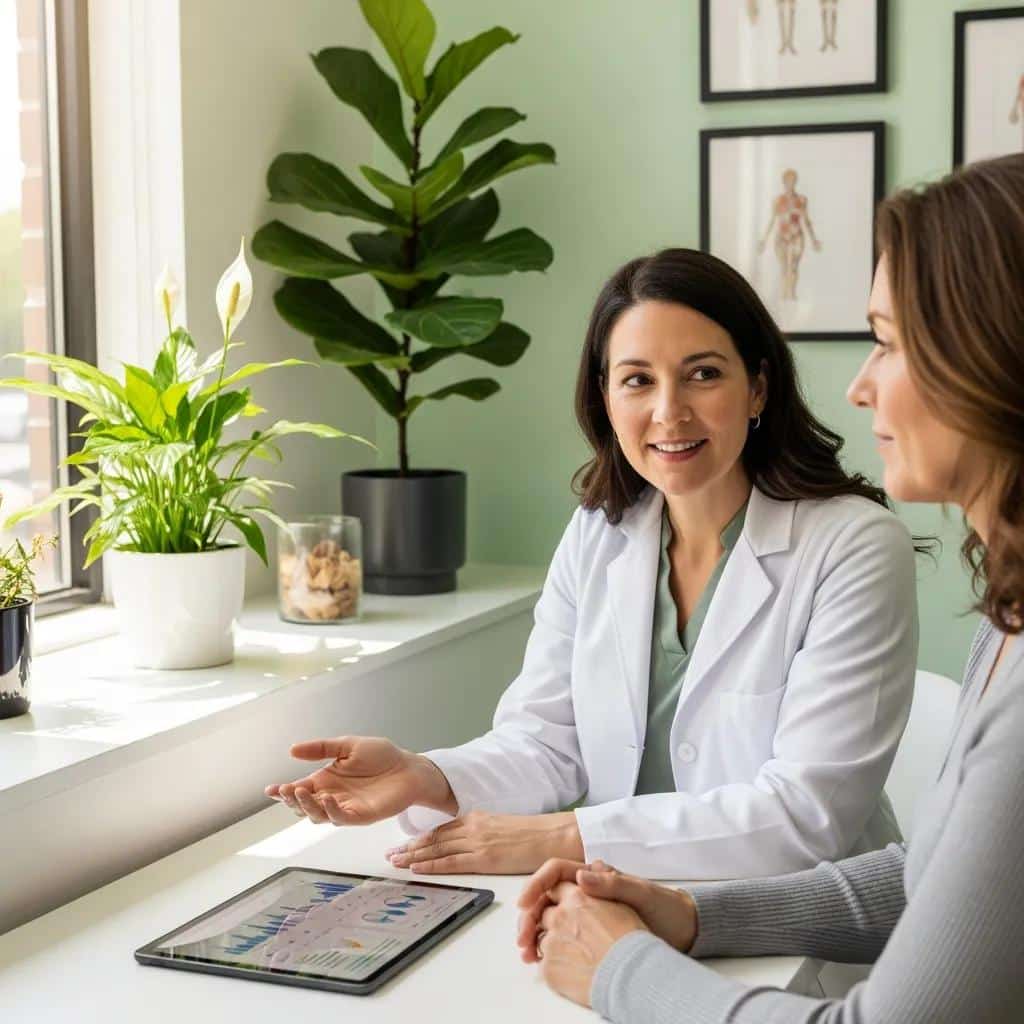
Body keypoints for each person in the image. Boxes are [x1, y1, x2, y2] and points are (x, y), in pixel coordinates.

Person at [516, 153, 1024, 1022]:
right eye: (635, 379)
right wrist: (693, 913)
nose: (861, 384)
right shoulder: (1007, 626)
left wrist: (621, 969)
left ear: (993, 356)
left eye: (891, 343)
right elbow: (930, 877)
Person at [265, 248, 918, 881]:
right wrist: (425, 777)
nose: (669, 412)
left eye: (704, 373)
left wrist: (563, 837)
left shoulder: (854, 547)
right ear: (606, 399)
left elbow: (807, 816)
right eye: (638, 380)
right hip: (627, 897)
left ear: (758, 389)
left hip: (805, 922)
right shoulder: (599, 534)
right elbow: (548, 741)